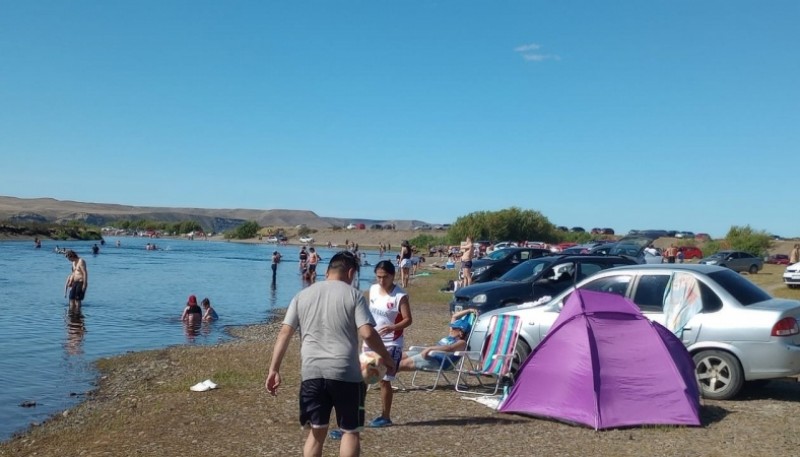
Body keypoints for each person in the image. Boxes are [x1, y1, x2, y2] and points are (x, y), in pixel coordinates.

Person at [266, 251, 395, 457]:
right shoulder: (354, 295)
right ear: (351, 272)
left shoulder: (301, 295)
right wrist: (386, 358)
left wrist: (274, 369)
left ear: (327, 271)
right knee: (350, 432)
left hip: (311, 373)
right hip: (346, 374)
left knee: (317, 432)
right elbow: (367, 333)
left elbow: (284, 333)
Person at [363, 260, 412, 428]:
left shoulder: (400, 296)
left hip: (392, 342)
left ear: (393, 276)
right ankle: (356, 415)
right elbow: (369, 312)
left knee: (384, 380)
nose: (381, 281)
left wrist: (392, 326)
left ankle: (385, 416)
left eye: (385, 277)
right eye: (378, 277)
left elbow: (408, 320)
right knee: (366, 377)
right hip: (372, 340)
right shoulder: (373, 289)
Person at [398, 309, 474, 372]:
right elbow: (454, 316)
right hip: (431, 355)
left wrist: (430, 348)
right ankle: (387, 375)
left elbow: (449, 348)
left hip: (439, 362)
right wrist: (469, 310)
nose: (452, 329)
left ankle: (386, 381)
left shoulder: (462, 343)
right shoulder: (451, 335)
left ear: (461, 332)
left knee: (401, 364)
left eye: (454, 328)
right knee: (397, 357)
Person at [64, 250, 88, 316]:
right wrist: (71, 281)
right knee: (71, 297)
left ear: (72, 256)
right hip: (75, 282)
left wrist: (85, 284)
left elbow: (84, 273)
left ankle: (78, 314)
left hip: (81, 282)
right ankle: (71, 313)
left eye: (69, 258)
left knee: (77, 299)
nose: (69, 260)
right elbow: (74, 273)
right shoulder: (73, 263)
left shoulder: (81, 261)